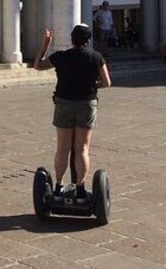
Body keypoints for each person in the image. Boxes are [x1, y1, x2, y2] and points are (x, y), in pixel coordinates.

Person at [34, 24, 111, 201]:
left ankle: (59, 187)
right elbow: (107, 82)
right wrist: (93, 85)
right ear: (88, 40)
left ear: (72, 39)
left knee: (63, 148)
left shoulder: (62, 57)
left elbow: (38, 66)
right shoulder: (96, 57)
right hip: (86, 104)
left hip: (64, 103)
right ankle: (80, 188)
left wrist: (46, 43)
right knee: (82, 149)